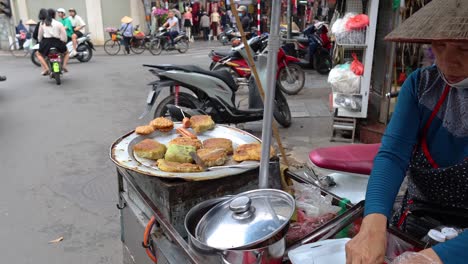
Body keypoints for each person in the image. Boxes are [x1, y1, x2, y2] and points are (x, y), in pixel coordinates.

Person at [345, 0, 468, 263]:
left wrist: (433, 258)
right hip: (419, 216)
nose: (447, 61)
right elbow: (392, 155)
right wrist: (373, 222)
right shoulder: (422, 84)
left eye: (464, 48)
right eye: (440, 44)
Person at [38, 9, 69, 74]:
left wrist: (40, 41)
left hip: (46, 43)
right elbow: (64, 34)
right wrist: (64, 41)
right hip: (57, 42)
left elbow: (40, 35)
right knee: (67, 53)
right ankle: (64, 66)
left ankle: (46, 68)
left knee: (38, 54)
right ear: (54, 15)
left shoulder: (42, 23)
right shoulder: (59, 23)